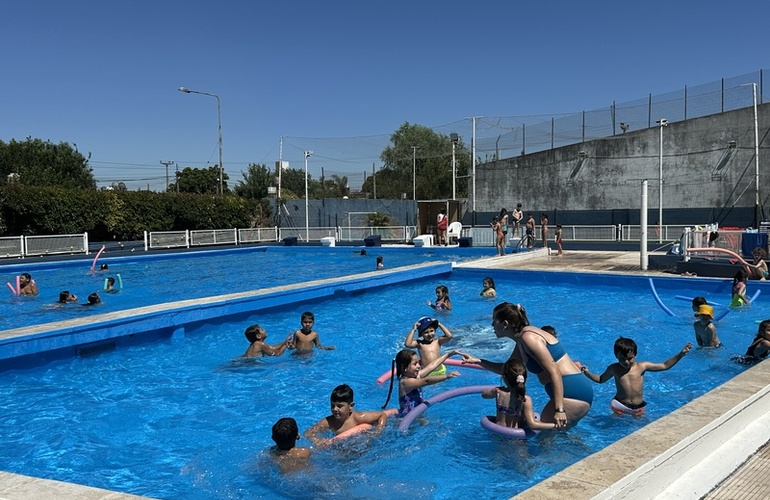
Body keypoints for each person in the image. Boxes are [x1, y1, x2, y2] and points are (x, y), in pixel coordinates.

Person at [458, 302, 592, 429]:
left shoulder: (529, 338)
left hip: (572, 395)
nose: (492, 324)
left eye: (494, 320)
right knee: (555, 438)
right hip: (569, 393)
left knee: (545, 442)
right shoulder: (522, 340)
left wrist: (559, 409)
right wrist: (479, 361)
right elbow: (507, 369)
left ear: (505, 324)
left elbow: (554, 372)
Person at [580, 337, 692, 416]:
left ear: (635, 355)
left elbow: (664, 365)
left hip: (638, 407)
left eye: (630, 358)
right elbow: (600, 379)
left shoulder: (642, 366)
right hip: (619, 405)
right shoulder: (614, 368)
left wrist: (680, 354)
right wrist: (587, 373)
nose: (626, 362)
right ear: (616, 356)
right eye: (622, 359)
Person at [481, 358, 558, 431]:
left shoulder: (498, 392)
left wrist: (498, 388)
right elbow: (532, 425)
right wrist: (555, 425)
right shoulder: (526, 400)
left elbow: (484, 394)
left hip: (498, 434)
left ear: (504, 377)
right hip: (516, 439)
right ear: (524, 378)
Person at [381, 348, 460, 417]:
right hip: (407, 417)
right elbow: (426, 381)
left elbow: (432, 365)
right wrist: (446, 376)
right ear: (404, 367)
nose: (419, 366)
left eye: (418, 362)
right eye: (415, 364)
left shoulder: (416, 376)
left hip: (418, 414)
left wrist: (448, 354)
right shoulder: (405, 382)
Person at [305, 384, 388, 447]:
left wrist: (378, 432)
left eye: (339, 406)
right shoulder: (329, 422)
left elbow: (382, 415)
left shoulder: (358, 417)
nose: (335, 409)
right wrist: (318, 441)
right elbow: (308, 433)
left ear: (351, 406)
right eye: (332, 405)